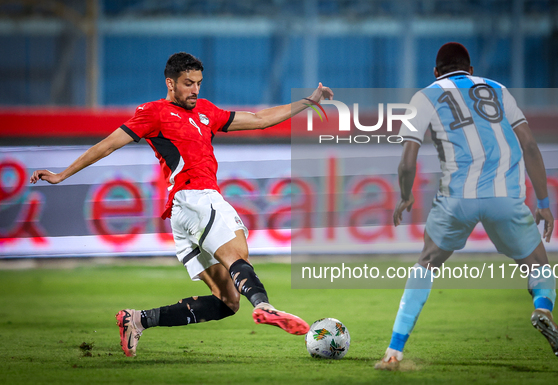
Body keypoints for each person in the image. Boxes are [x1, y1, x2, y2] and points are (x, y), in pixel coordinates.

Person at [30, 52, 333, 357]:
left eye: (199, 83)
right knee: (236, 254)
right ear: (170, 83)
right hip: (196, 198)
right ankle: (265, 306)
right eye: (188, 83)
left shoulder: (205, 111)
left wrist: (309, 102)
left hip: (182, 214)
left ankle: (137, 320)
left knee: (228, 301)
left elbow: (259, 119)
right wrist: (61, 175)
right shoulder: (154, 113)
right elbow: (107, 145)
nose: (195, 90)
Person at [374, 42, 558, 370]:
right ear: (469, 69)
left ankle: (394, 352)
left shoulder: (424, 96)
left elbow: (407, 159)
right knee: (539, 264)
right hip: (505, 198)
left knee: (426, 263)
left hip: (456, 200)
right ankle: (542, 309)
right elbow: (530, 146)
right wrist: (543, 202)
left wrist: (405, 194)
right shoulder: (498, 89)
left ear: (436, 72)